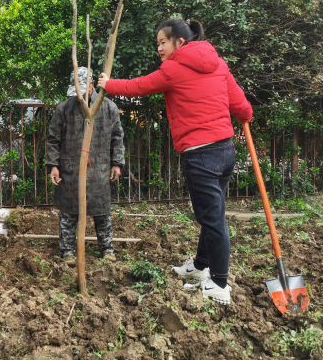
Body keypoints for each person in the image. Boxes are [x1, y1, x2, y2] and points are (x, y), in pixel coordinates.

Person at [98, 19, 253, 305]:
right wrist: (245, 114)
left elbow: (139, 86)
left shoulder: (173, 69)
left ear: (179, 42)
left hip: (201, 154)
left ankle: (219, 284)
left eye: (163, 42)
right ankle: (200, 266)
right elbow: (241, 105)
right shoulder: (219, 64)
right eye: (157, 43)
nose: (159, 48)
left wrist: (108, 84)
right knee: (212, 214)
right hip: (225, 150)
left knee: (213, 219)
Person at [46, 67, 125, 267]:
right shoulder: (64, 109)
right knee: (68, 211)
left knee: (102, 211)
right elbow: (53, 140)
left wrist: (117, 163)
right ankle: (67, 251)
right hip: (70, 169)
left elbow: (117, 138)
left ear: (92, 85)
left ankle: (107, 249)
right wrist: (53, 165)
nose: (80, 94)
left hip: (100, 168)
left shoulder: (108, 108)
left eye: (84, 89)